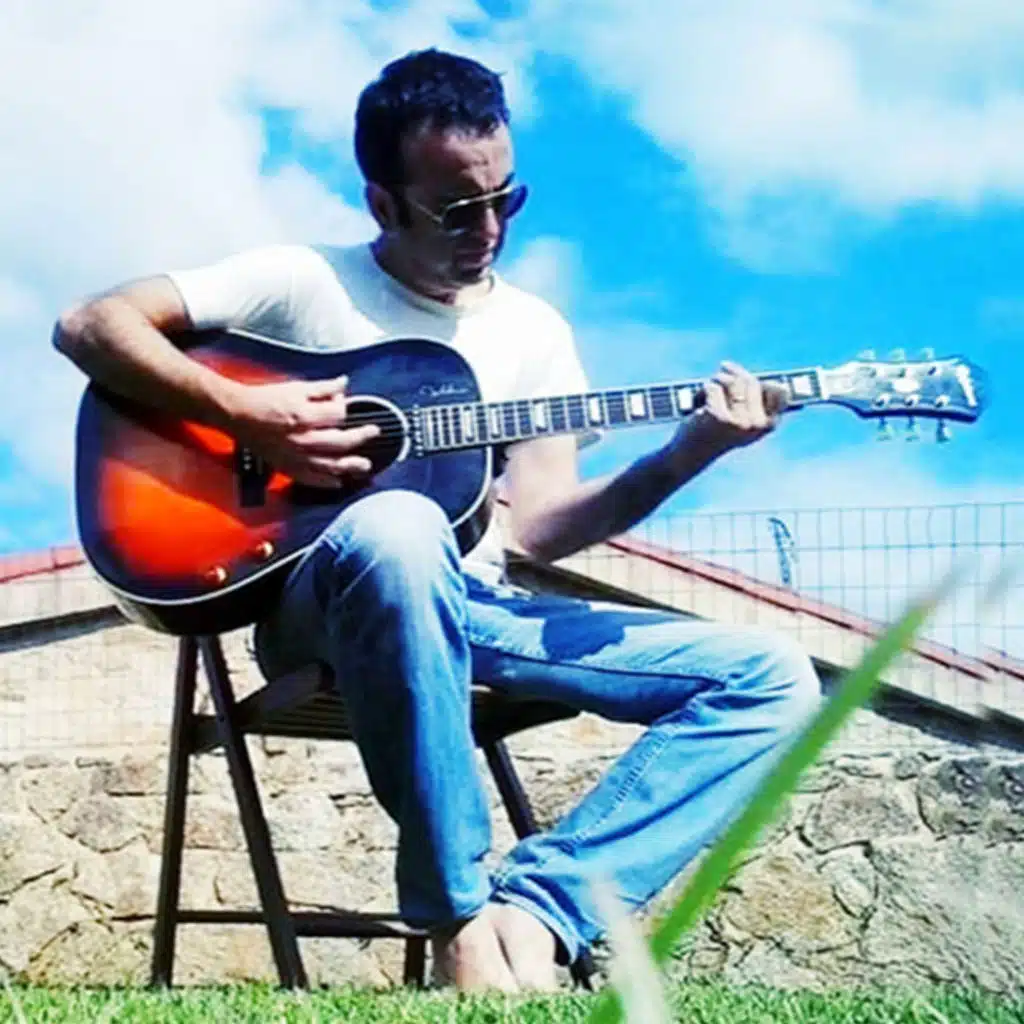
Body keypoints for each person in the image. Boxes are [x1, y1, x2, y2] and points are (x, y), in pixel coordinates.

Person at [54, 48, 820, 993]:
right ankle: (457, 917)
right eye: (457, 209)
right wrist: (246, 413)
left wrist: (686, 455)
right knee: (400, 528)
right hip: (326, 606)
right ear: (384, 203)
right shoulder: (304, 282)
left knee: (773, 678)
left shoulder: (533, 331)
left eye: (507, 199)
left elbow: (542, 528)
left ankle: (539, 914)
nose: (488, 230)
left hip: (478, 609)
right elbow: (92, 324)